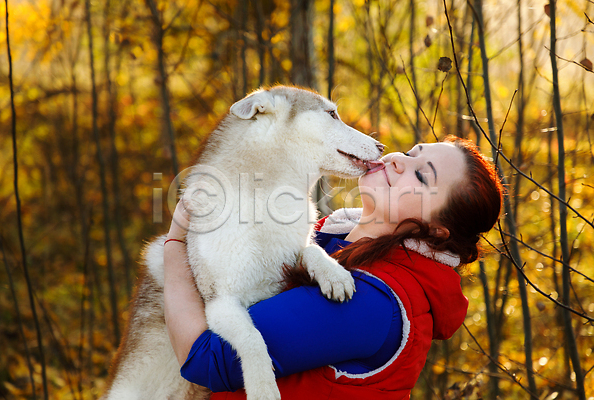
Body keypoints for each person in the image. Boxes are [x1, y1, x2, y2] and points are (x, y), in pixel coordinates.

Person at [163, 136, 504, 400]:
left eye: (421, 174)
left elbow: (207, 358)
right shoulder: (328, 240)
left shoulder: (372, 301)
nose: (399, 160)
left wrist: (177, 240)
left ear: (436, 230)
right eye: (413, 152)